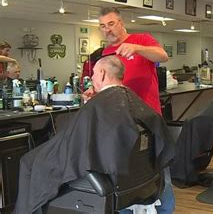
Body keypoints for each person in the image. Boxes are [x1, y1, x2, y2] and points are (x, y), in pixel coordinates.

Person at [15, 56, 175, 214]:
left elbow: (78, 145)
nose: (91, 78)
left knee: (29, 162)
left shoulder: (99, 105)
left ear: (103, 73)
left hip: (106, 177)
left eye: (93, 74)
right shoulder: (132, 101)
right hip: (134, 178)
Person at [83, 7, 173, 212]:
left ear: (121, 23)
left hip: (147, 121)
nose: (107, 29)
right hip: (120, 125)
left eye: (111, 24)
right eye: (103, 26)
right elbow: (107, 83)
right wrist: (93, 91)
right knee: (124, 176)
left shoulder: (141, 39)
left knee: (157, 170)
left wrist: (136, 48)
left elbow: (163, 56)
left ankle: (166, 210)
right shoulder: (105, 53)